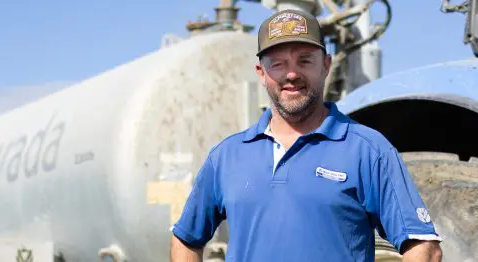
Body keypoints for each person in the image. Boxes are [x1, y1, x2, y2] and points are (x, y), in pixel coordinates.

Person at [169, 9, 443, 262]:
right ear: (261, 73)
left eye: (305, 61)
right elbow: (186, 239)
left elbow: (424, 248)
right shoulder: (227, 156)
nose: (291, 73)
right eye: (277, 64)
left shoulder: (368, 150)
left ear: (325, 65)